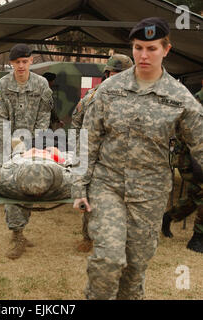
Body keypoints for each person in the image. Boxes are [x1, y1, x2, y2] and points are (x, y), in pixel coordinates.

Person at [72, 17, 203, 300]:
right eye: (138, 47)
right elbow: (88, 139)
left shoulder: (180, 97)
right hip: (108, 187)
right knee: (108, 259)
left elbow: (201, 143)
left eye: (152, 48)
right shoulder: (109, 89)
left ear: (166, 49)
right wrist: (79, 186)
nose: (144, 55)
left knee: (134, 269)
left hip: (150, 194)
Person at [0, 43, 53, 259]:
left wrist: (35, 141)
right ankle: (17, 235)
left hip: (34, 144)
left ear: (31, 61)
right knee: (12, 187)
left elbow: (45, 114)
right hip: (8, 145)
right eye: (17, 62)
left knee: (30, 186)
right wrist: (12, 141)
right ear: (11, 63)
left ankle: (21, 230)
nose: (21, 66)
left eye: (25, 61)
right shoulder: (1, 85)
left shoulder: (42, 85)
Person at [70, 54, 133, 253]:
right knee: (91, 198)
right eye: (113, 73)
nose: (116, 77)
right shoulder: (92, 96)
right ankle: (88, 237)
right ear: (107, 74)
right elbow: (77, 122)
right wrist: (80, 152)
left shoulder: (137, 98)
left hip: (127, 159)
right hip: (98, 158)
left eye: (121, 74)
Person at [161, 92, 203, 253]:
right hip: (190, 158)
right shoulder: (194, 102)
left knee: (195, 196)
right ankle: (197, 238)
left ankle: (169, 217)